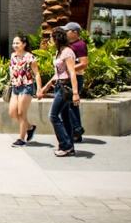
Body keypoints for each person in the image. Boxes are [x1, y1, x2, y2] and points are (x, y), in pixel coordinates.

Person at [38, 28, 81, 157]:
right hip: (59, 86)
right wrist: (45, 88)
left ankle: (65, 145)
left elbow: (72, 72)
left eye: (51, 38)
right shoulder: (59, 52)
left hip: (65, 87)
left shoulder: (67, 52)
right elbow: (58, 74)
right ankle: (70, 147)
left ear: (57, 38)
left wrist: (75, 93)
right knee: (65, 118)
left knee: (53, 116)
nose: (49, 40)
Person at [8, 35, 41, 147]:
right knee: (12, 113)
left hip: (27, 86)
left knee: (21, 113)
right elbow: (12, 70)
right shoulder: (13, 56)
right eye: (14, 43)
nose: (15, 45)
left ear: (24, 44)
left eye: (17, 43)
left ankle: (21, 139)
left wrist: (39, 90)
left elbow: (37, 74)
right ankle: (30, 127)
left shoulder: (30, 57)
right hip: (15, 87)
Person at [61, 22, 88, 141]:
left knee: (69, 105)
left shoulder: (80, 45)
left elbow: (84, 64)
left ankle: (76, 130)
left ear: (74, 32)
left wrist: (68, 69)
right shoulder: (70, 45)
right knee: (71, 106)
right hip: (69, 77)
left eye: (67, 31)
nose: (65, 33)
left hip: (76, 78)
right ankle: (75, 132)